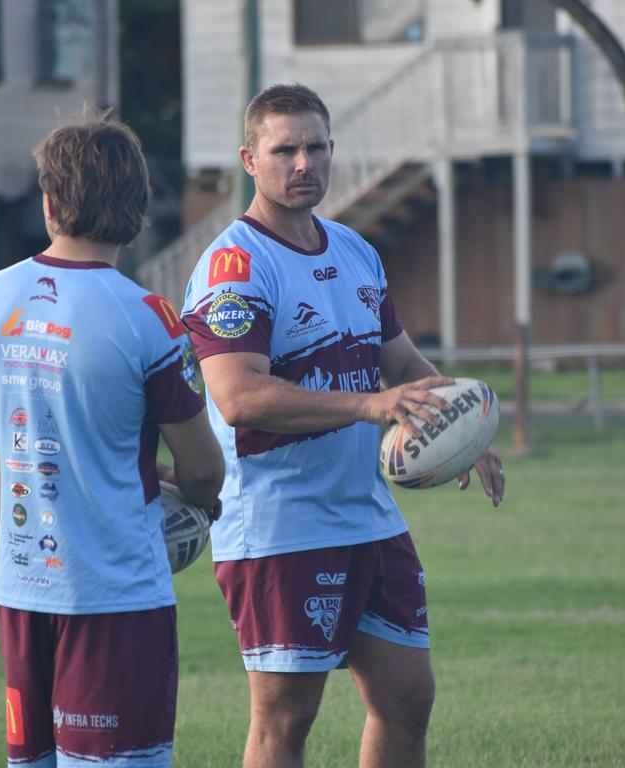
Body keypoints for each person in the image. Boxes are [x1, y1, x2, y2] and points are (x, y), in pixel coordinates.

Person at [180, 84, 506, 768]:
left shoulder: (356, 249)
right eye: (285, 149)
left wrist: (462, 424)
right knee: (285, 722)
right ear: (249, 158)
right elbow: (238, 397)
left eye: (317, 147)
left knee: (408, 698)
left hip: (366, 514)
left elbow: (402, 362)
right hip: (279, 524)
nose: (305, 163)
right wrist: (368, 406)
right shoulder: (234, 266)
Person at [0, 117, 224, 768]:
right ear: (138, 210)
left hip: (21, 592)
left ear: (48, 203)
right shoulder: (148, 318)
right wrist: (179, 490)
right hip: (115, 598)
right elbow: (206, 473)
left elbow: (22, 422)